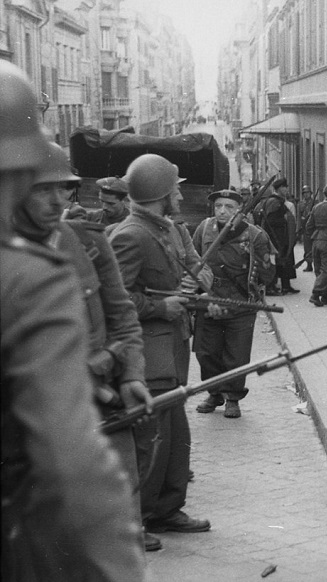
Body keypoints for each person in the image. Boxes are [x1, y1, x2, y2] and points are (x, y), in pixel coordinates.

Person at [0, 59, 145, 581]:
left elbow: (121, 311)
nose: (57, 199)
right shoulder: (26, 278)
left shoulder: (81, 244)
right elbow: (69, 463)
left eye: (64, 189)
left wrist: (125, 370)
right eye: (42, 186)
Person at [109, 153, 213, 537]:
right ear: (159, 194)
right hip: (148, 355)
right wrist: (160, 306)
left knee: (174, 434)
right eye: (175, 191)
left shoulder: (165, 230)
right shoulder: (129, 235)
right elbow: (116, 301)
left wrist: (198, 285)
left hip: (172, 348)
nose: (181, 198)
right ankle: (135, 519)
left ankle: (167, 509)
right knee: (150, 438)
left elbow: (193, 267)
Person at [193, 189, 276, 419]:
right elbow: (193, 261)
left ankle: (232, 397)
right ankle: (214, 393)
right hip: (209, 301)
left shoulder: (254, 235)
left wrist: (257, 258)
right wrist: (202, 292)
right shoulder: (204, 229)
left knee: (237, 355)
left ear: (240, 209)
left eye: (229, 207)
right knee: (206, 353)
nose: (222, 211)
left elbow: (269, 274)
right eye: (218, 206)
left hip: (240, 304)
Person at [255, 177, 298, 295]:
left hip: (280, 237)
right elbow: (271, 220)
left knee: (283, 261)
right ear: (279, 189)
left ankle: (285, 286)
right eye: (284, 187)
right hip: (275, 237)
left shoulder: (279, 201)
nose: (286, 189)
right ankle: (270, 287)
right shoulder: (274, 202)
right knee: (274, 262)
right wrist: (284, 221)